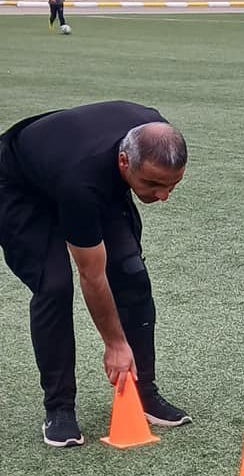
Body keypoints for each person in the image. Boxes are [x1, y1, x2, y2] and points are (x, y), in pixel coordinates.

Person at [0, 102, 190, 446]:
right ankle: (59, 409)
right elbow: (92, 275)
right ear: (124, 161)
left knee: (131, 272)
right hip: (19, 184)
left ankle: (144, 392)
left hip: (79, 169)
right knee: (54, 285)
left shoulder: (154, 133)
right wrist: (115, 344)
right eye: (152, 184)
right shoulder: (81, 182)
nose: (162, 196)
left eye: (172, 185)